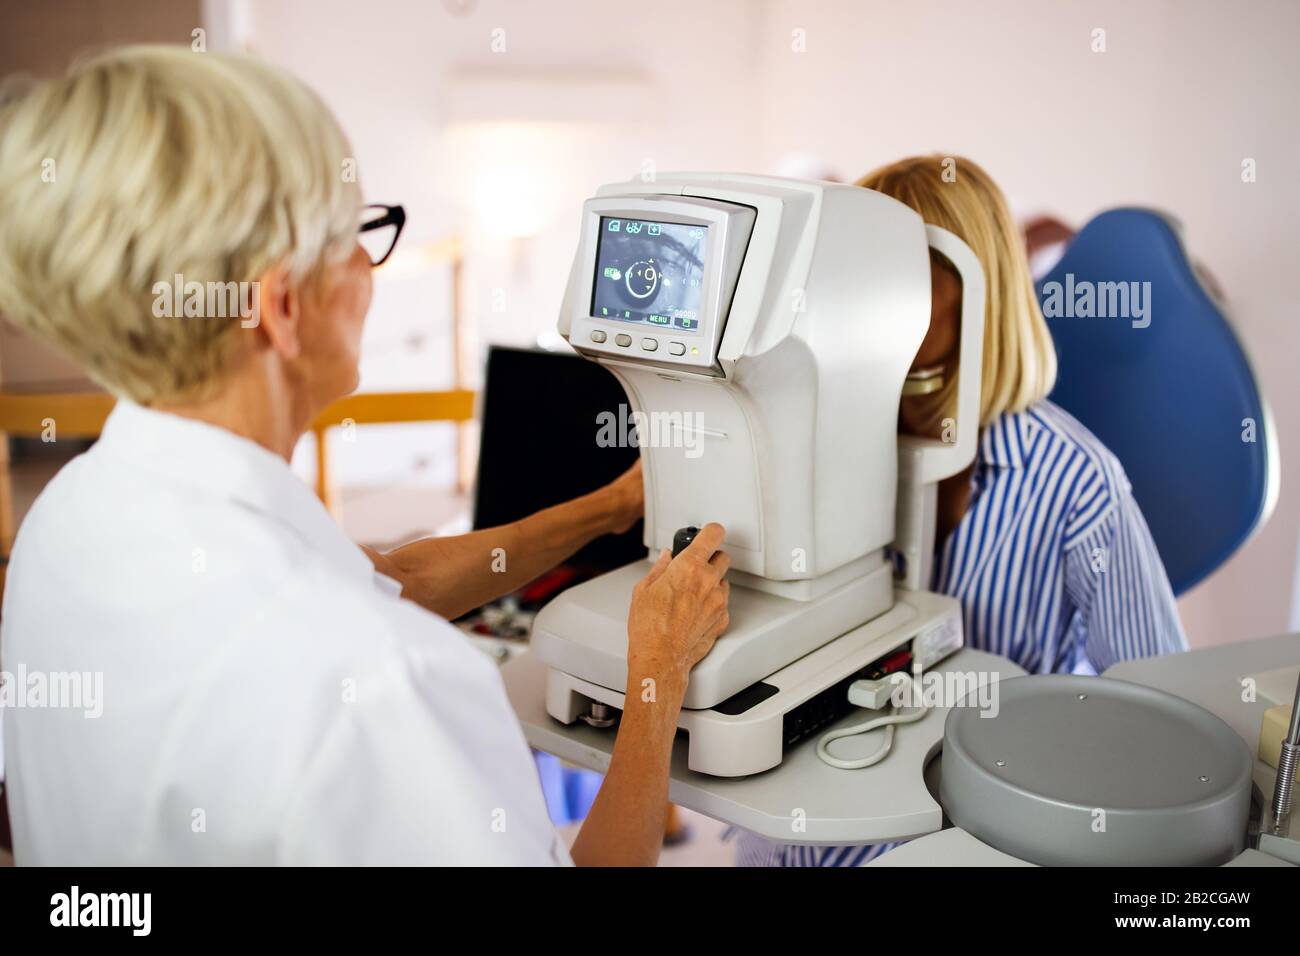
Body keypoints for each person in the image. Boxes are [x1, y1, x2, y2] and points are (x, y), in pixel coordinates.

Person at [0, 46, 731, 866]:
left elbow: (400, 580)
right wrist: (657, 676)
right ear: (280, 308)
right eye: (354, 233)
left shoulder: (65, 519)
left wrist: (613, 504)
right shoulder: (381, 686)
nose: (368, 268)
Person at [736, 155, 1188, 867]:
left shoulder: (1074, 480)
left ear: (979, 287)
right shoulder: (813, 441)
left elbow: (1164, 707)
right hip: (797, 833)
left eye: (899, 271)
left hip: (969, 841)